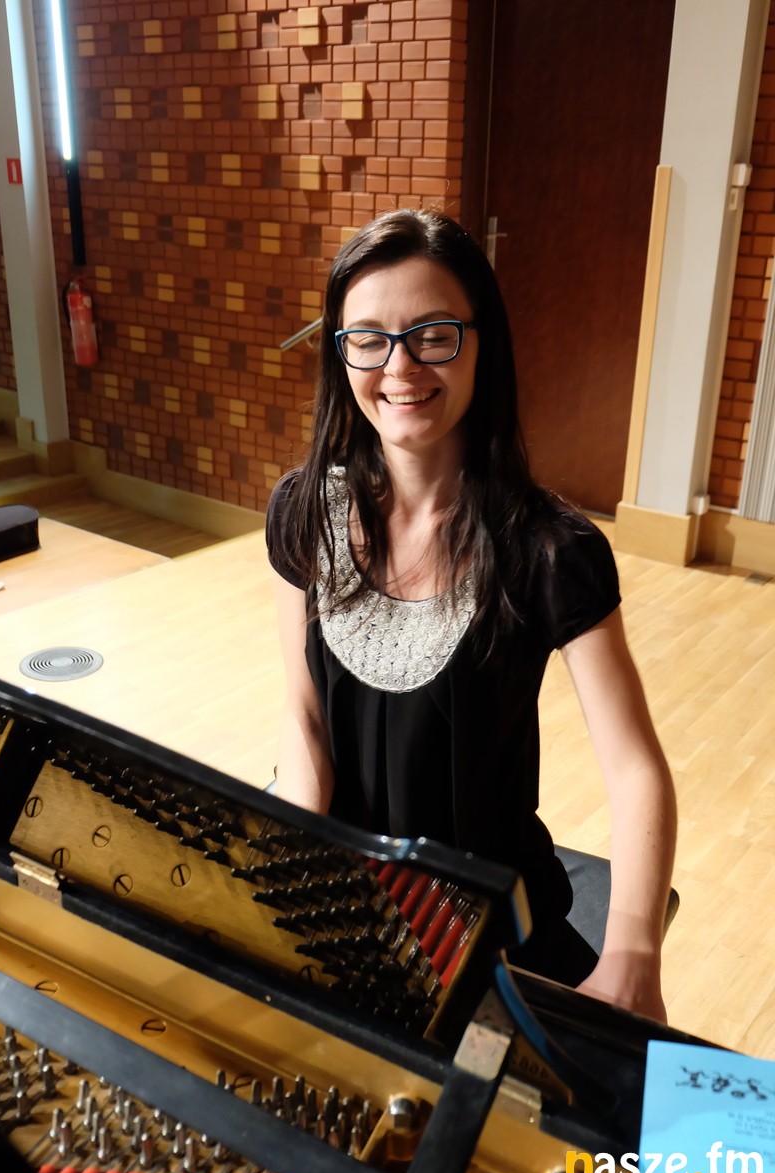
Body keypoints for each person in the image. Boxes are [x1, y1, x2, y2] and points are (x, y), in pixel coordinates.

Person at [266, 208, 676, 1022]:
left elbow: (634, 770)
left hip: (495, 932)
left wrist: (634, 956)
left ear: (482, 344)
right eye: (368, 339)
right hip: (349, 914)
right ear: (341, 353)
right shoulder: (303, 510)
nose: (399, 366)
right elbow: (305, 723)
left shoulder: (551, 549)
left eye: (433, 335)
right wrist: (283, 877)